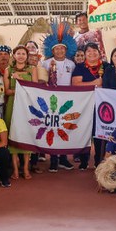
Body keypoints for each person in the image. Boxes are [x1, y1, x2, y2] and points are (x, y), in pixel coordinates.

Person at [41, 22, 77, 172]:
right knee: (52, 128)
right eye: (57, 48)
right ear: (52, 50)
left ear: (66, 50)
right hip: (52, 101)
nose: (60, 50)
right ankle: (53, 159)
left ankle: (63, 158)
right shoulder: (45, 63)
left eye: (63, 48)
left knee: (64, 128)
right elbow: (42, 82)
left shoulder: (72, 64)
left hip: (67, 100)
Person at [4, 45, 38, 179]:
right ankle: (15, 169)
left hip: (27, 105)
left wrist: (20, 80)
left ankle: (25, 167)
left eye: (23, 54)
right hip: (13, 103)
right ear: (14, 55)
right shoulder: (8, 70)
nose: (21, 56)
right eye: (18, 53)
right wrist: (19, 90)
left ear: (27, 56)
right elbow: (7, 91)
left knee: (26, 134)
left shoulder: (32, 69)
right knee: (13, 134)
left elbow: (34, 88)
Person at [72, 43, 106, 170]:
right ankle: (84, 160)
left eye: (94, 51)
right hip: (84, 104)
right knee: (84, 131)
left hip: (102, 104)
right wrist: (94, 83)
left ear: (99, 52)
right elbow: (75, 84)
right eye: (89, 51)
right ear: (85, 54)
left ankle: (99, 160)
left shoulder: (106, 66)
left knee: (100, 132)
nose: (92, 53)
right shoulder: (80, 67)